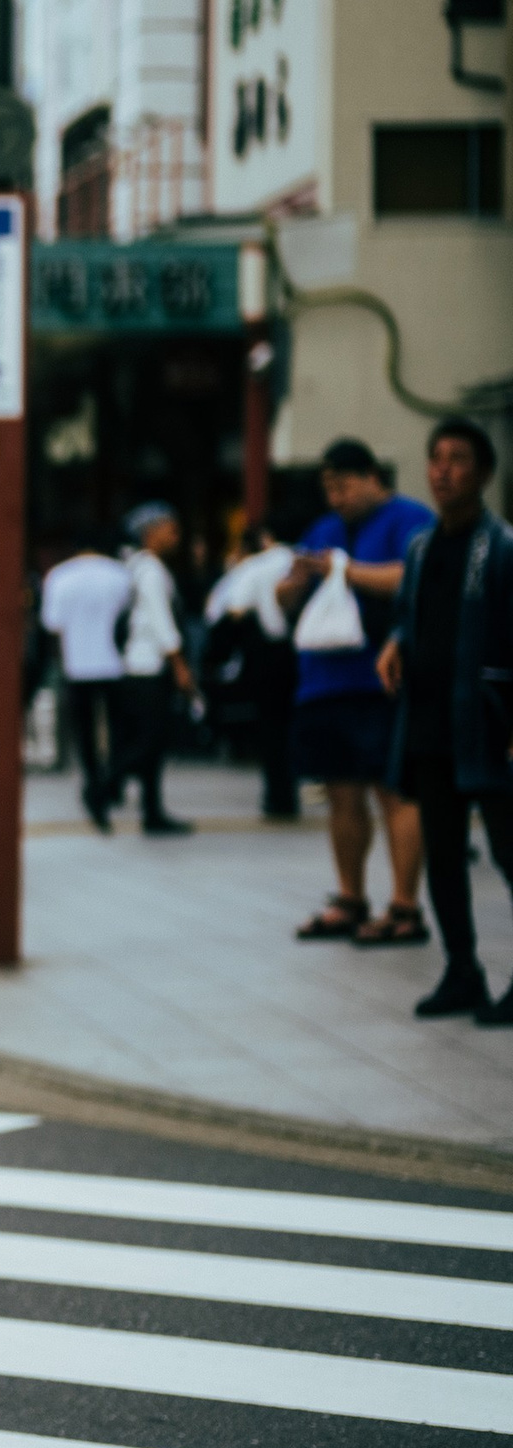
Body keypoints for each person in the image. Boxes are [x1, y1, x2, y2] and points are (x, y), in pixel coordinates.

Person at [376, 419, 513, 1024]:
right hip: (430, 725)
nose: (442, 470)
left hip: (489, 726)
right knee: (445, 854)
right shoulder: (421, 547)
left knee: (510, 853)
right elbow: (411, 614)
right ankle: (463, 970)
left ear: (484, 472)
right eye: (434, 459)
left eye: (457, 459)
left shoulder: (504, 547)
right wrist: (397, 640)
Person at [283, 439, 433, 944]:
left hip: (383, 680)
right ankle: (350, 897)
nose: (336, 496)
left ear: (373, 477)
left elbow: (413, 577)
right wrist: (295, 579)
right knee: (340, 792)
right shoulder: (322, 530)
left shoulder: (408, 518)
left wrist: (343, 571)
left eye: (344, 484)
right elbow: (286, 596)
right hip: (324, 682)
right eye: (328, 486)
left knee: (394, 790)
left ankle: (405, 906)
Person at [204, 523, 299, 818]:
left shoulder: (254, 568)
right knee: (292, 724)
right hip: (299, 652)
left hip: (268, 655)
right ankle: (293, 790)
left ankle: (278, 797)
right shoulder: (298, 558)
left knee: (272, 727)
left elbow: (235, 610)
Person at [113, 503, 196, 836]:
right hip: (148, 664)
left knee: (151, 742)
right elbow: (161, 621)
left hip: (138, 663)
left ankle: (152, 810)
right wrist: (179, 664)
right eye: (169, 528)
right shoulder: (150, 570)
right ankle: (106, 785)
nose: (175, 534)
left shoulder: (136, 566)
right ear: (150, 532)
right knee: (151, 741)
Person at [40, 535, 132, 830]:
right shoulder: (120, 574)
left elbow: (53, 625)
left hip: (76, 662)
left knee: (86, 731)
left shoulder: (60, 576)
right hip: (117, 661)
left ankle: (93, 780)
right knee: (119, 728)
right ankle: (111, 783)